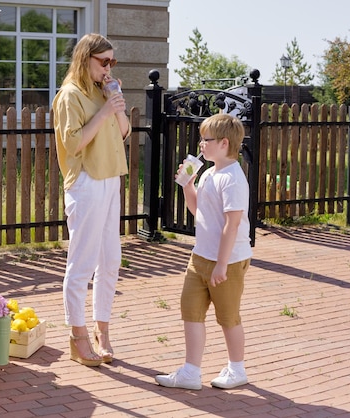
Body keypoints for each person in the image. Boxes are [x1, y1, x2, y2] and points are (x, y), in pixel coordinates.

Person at [155, 113, 253, 390]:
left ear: (223, 143)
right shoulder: (210, 173)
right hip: (200, 257)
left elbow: (232, 224)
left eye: (205, 139)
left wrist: (221, 265)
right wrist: (188, 185)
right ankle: (190, 372)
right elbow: (199, 212)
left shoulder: (233, 178)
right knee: (191, 311)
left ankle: (237, 370)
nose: (200, 144)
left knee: (228, 317)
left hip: (228, 261)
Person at [52, 33, 131, 367]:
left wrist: (117, 104)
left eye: (112, 61)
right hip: (86, 181)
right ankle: (77, 335)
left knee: (110, 260)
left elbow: (125, 132)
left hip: (110, 177)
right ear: (85, 59)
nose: (108, 68)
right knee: (82, 263)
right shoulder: (70, 96)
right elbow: (73, 144)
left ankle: (103, 329)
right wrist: (103, 113)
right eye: (104, 61)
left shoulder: (105, 91)